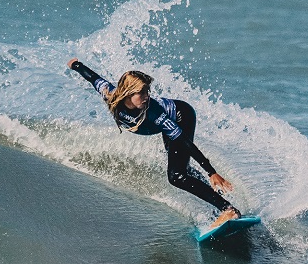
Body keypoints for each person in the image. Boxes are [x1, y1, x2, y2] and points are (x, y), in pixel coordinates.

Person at [67, 59, 242, 230]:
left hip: (181, 116)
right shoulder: (110, 94)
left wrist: (210, 171)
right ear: (127, 93)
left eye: (147, 91)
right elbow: (93, 77)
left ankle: (228, 209)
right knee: (183, 169)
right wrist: (76, 65)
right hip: (169, 122)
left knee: (176, 176)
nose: (146, 96)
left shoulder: (154, 112)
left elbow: (182, 140)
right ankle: (217, 205)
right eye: (141, 92)